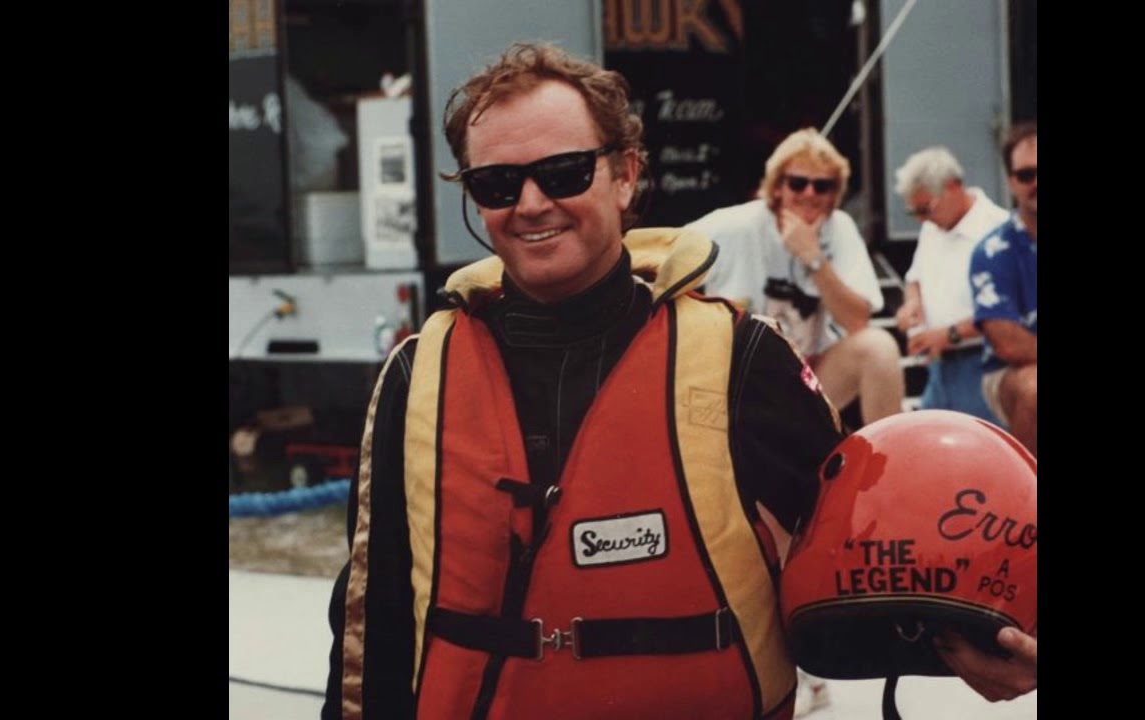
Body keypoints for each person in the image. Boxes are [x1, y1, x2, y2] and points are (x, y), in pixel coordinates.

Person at [322, 43, 1035, 720]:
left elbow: (866, 563)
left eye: (565, 171)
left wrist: (976, 647)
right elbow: (367, 629)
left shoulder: (741, 360)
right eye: (497, 183)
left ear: (627, 173)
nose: (532, 203)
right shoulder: (421, 376)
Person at [687, 129, 903, 427]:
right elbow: (664, 252)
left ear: (834, 194)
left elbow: (856, 321)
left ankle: (888, 460)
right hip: (740, 378)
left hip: (809, 375)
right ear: (777, 187)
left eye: (822, 186)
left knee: (879, 348)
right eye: (798, 183)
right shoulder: (738, 224)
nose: (809, 194)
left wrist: (813, 258)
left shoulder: (839, 228)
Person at [892, 146, 1009, 424]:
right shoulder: (932, 228)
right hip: (940, 369)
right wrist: (913, 304)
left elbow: (1007, 312)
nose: (921, 219)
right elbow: (914, 278)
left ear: (953, 186)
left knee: (985, 457)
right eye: (914, 212)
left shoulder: (1000, 231)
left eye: (925, 208)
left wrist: (948, 335)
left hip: (985, 365)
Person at [970, 122, 1037, 455]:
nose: (1036, 182)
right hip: (1009, 374)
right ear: (1011, 182)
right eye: (1027, 175)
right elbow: (1007, 343)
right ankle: (1027, 497)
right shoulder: (992, 250)